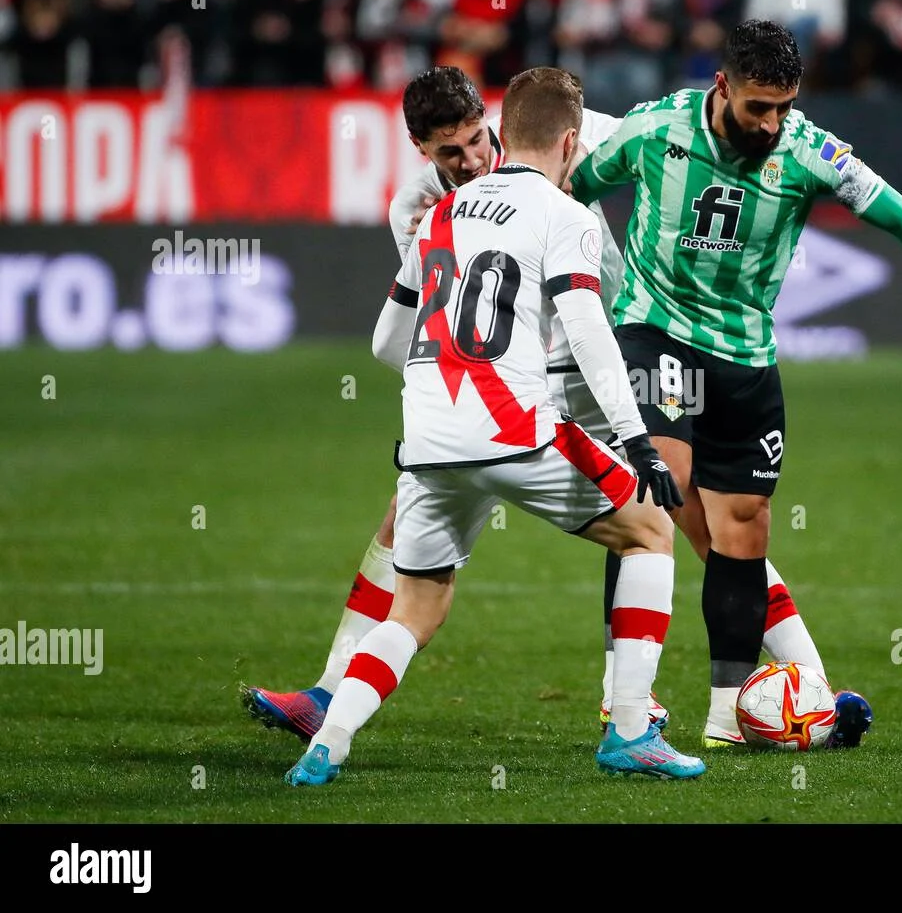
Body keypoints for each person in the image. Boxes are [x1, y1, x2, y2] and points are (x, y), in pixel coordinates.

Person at [243, 66, 851, 747]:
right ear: (422, 151)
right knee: (403, 522)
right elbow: (431, 328)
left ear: (496, 124)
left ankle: (808, 685)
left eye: (477, 140)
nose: (470, 161)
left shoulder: (578, 134)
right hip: (515, 387)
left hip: (614, 351)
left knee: (689, 514)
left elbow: (673, 160)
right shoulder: (416, 206)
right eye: (449, 153)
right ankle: (328, 692)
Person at [568, 18, 902, 748]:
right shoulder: (655, 129)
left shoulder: (811, 151)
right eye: (759, 107)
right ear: (723, 86)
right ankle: (627, 701)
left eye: (785, 107)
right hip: (656, 333)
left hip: (745, 355)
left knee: (744, 525)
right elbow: (572, 191)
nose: (772, 123)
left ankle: (727, 715)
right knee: (661, 489)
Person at [285, 66, 704, 785]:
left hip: (428, 441)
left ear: (500, 131)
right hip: (519, 425)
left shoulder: (439, 214)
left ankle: (329, 741)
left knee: (415, 610)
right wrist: (636, 439)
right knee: (650, 531)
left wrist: (446, 379)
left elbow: (386, 342)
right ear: (570, 144)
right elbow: (587, 329)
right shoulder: (565, 213)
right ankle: (631, 729)